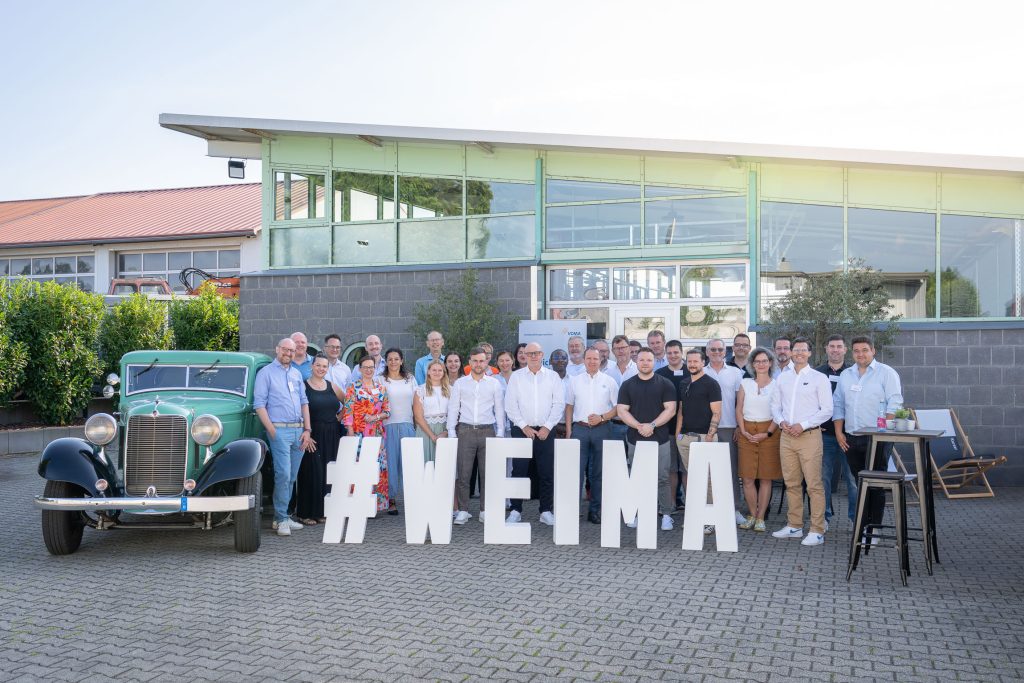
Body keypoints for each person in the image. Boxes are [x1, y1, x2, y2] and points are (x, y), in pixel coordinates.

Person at [833, 336, 903, 538]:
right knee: (859, 483)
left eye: (865, 350)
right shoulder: (846, 375)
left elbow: (895, 403)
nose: (860, 354)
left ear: (873, 351)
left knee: (876, 485)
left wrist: (883, 432)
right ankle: (863, 526)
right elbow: (838, 404)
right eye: (856, 351)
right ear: (851, 353)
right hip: (851, 437)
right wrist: (839, 432)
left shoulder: (886, 373)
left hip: (877, 438)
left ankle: (874, 530)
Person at [770, 337, 832, 546]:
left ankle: (817, 529)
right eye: (795, 350)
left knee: (814, 485)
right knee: (791, 483)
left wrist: (803, 425)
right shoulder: (782, 378)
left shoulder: (819, 378)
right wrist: (781, 422)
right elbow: (775, 406)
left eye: (802, 350)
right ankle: (794, 525)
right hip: (786, 437)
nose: (798, 353)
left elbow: (827, 410)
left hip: (809, 437)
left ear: (809, 353)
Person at [253, 337, 313, 537]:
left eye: (292, 350)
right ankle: (280, 518)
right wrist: (272, 430)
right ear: (277, 349)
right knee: (283, 474)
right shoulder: (266, 373)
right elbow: (259, 404)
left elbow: (304, 402)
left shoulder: (296, 374)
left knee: (291, 477)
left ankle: (283, 517)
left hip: (299, 432)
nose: (288, 353)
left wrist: (307, 430)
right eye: (285, 350)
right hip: (279, 431)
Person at [617, 348, 678, 531]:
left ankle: (666, 514)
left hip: (660, 439)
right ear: (636, 361)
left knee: (662, 478)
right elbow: (622, 410)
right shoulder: (627, 385)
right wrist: (639, 427)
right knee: (635, 478)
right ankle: (633, 513)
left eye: (649, 360)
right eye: (642, 360)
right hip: (635, 439)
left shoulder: (665, 384)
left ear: (654, 362)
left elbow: (671, 409)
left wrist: (651, 426)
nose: (645, 363)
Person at [506, 342, 565, 526]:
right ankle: (515, 510)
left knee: (546, 471)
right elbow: (510, 405)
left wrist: (547, 427)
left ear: (542, 355)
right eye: (528, 353)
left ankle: (546, 510)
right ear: (523, 355)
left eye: (536, 353)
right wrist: (524, 427)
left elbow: (558, 404)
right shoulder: (516, 377)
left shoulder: (553, 377)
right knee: (519, 471)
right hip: (522, 430)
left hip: (546, 430)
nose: (532, 356)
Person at [447, 346, 505, 524]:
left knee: (487, 473)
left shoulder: (494, 383)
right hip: (465, 430)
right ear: (469, 362)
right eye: (475, 361)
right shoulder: (460, 383)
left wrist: (500, 433)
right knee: (464, 473)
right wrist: (451, 431)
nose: (478, 364)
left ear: (487, 362)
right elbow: (453, 408)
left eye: (482, 360)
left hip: (488, 430)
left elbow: (499, 409)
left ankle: (485, 510)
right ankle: (463, 510)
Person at [565, 347, 619, 524]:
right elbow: (569, 406)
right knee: (576, 472)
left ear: (601, 360)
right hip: (579, 429)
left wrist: (602, 417)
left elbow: (618, 408)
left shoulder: (609, 381)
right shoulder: (574, 381)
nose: (592, 362)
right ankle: (573, 511)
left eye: (595, 359)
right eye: (588, 358)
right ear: (584, 359)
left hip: (602, 429)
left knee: (598, 473)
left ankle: (595, 511)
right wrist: (568, 431)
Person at [674, 348, 723, 535]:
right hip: (685, 439)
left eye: (696, 361)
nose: (693, 364)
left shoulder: (711, 384)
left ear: (703, 363)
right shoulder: (684, 383)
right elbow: (681, 411)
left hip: (705, 438)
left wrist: (710, 437)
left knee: (708, 480)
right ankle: (696, 517)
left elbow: (717, 412)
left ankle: (711, 519)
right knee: (694, 479)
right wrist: (678, 435)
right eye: (690, 361)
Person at [735, 347, 782, 532]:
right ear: (752, 364)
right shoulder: (745, 383)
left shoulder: (777, 384)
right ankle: (752, 515)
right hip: (746, 432)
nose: (761, 364)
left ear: (770, 363)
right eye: (757, 361)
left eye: (764, 361)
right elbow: (738, 409)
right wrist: (743, 430)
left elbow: (779, 412)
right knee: (747, 478)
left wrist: (768, 433)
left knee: (765, 478)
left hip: (769, 433)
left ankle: (761, 517)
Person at [815, 334, 857, 528]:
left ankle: (854, 518)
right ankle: (824, 517)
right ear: (826, 349)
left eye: (839, 346)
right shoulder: (817, 373)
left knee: (852, 478)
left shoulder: (854, 372)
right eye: (832, 346)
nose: (835, 350)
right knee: (823, 477)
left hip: (849, 436)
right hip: (824, 435)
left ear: (845, 349)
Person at [296, 354, 343, 526]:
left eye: (324, 366)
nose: (321, 369)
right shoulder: (304, 386)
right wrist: (305, 432)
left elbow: (349, 402)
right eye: (318, 365)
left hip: (332, 434)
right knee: (310, 473)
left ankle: (322, 511)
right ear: (312, 366)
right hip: (312, 435)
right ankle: (305, 513)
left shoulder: (332, 386)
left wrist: (339, 417)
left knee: (327, 472)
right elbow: (299, 409)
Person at [704, 338, 746, 525]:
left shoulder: (737, 373)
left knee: (731, 471)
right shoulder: (700, 372)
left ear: (725, 352)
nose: (716, 352)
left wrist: (739, 426)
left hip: (729, 427)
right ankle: (709, 510)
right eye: (712, 349)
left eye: (720, 349)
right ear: (706, 352)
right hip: (706, 430)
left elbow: (741, 403)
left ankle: (735, 509)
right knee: (708, 473)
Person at [342, 356, 390, 514]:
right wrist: (350, 432)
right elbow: (347, 412)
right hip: (358, 434)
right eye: (365, 367)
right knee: (359, 467)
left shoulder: (381, 388)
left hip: (377, 434)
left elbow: (387, 411)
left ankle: (374, 505)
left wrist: (375, 417)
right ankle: (357, 503)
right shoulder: (353, 387)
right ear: (360, 369)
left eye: (371, 367)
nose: (369, 370)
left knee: (376, 467)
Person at [382, 348, 417, 515]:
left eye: (396, 359)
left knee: (409, 463)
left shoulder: (410, 379)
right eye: (390, 359)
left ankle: (411, 498)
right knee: (390, 464)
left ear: (402, 360)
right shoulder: (381, 380)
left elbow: (416, 404)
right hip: (387, 426)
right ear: (386, 361)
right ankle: (391, 499)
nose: (393, 362)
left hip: (407, 425)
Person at [413, 360, 450, 463]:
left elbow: (455, 414)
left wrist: (446, 432)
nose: (437, 373)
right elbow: (418, 417)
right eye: (434, 370)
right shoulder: (420, 390)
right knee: (426, 464)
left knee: (445, 464)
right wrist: (433, 436)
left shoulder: (451, 390)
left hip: (445, 429)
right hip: (426, 430)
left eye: (440, 370)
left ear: (444, 372)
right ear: (428, 371)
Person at [548, 348, 570, 439]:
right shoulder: (544, 382)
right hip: (549, 429)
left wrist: (569, 428)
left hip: (571, 428)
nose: (560, 360)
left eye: (563, 357)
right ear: (550, 361)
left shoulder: (575, 381)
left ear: (568, 361)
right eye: (556, 357)